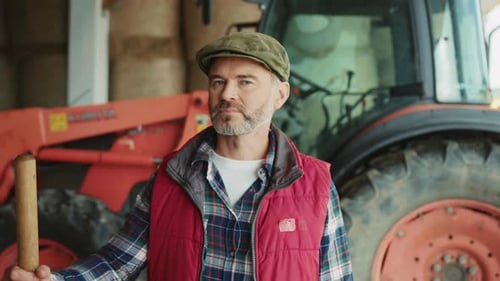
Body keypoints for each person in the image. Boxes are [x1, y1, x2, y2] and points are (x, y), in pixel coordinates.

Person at [3, 31, 353, 281]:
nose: (227, 93)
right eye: (218, 82)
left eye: (245, 82)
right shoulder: (172, 178)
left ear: (280, 95)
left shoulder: (315, 188)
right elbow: (118, 262)